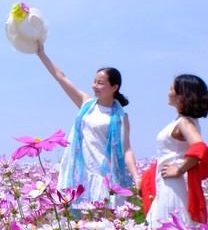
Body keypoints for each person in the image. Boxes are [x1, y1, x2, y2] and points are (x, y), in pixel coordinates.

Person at [35, 43, 139, 206]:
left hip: (103, 175)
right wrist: (41, 54)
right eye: (94, 81)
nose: (95, 86)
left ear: (114, 87)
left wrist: (136, 176)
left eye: (101, 83)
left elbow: (127, 149)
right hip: (80, 171)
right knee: (79, 216)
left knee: (102, 217)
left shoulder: (120, 117)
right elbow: (60, 77)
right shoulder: (87, 104)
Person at [142, 75, 208, 229]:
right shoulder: (182, 120)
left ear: (182, 96)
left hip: (174, 185)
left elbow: (199, 147)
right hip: (169, 182)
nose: (168, 93)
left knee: (169, 228)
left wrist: (179, 170)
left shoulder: (185, 122)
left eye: (171, 89)